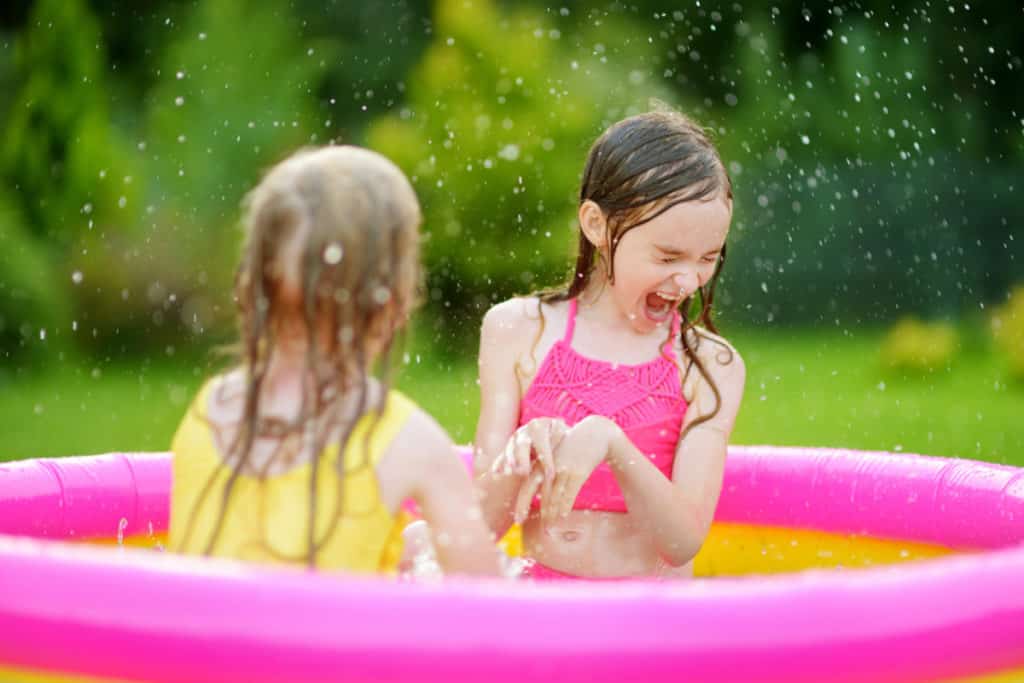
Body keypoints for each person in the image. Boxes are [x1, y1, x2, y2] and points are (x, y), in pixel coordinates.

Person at [170, 146, 500, 577]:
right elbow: (493, 618)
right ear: (395, 297)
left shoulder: (209, 410)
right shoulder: (408, 442)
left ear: (254, 287)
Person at [474, 110, 746, 580]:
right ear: (596, 225)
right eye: (667, 256)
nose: (688, 280)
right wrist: (521, 456)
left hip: (652, 621)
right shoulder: (518, 332)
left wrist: (611, 442)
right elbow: (479, 530)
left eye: (707, 258)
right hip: (544, 610)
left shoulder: (709, 365)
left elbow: (680, 542)